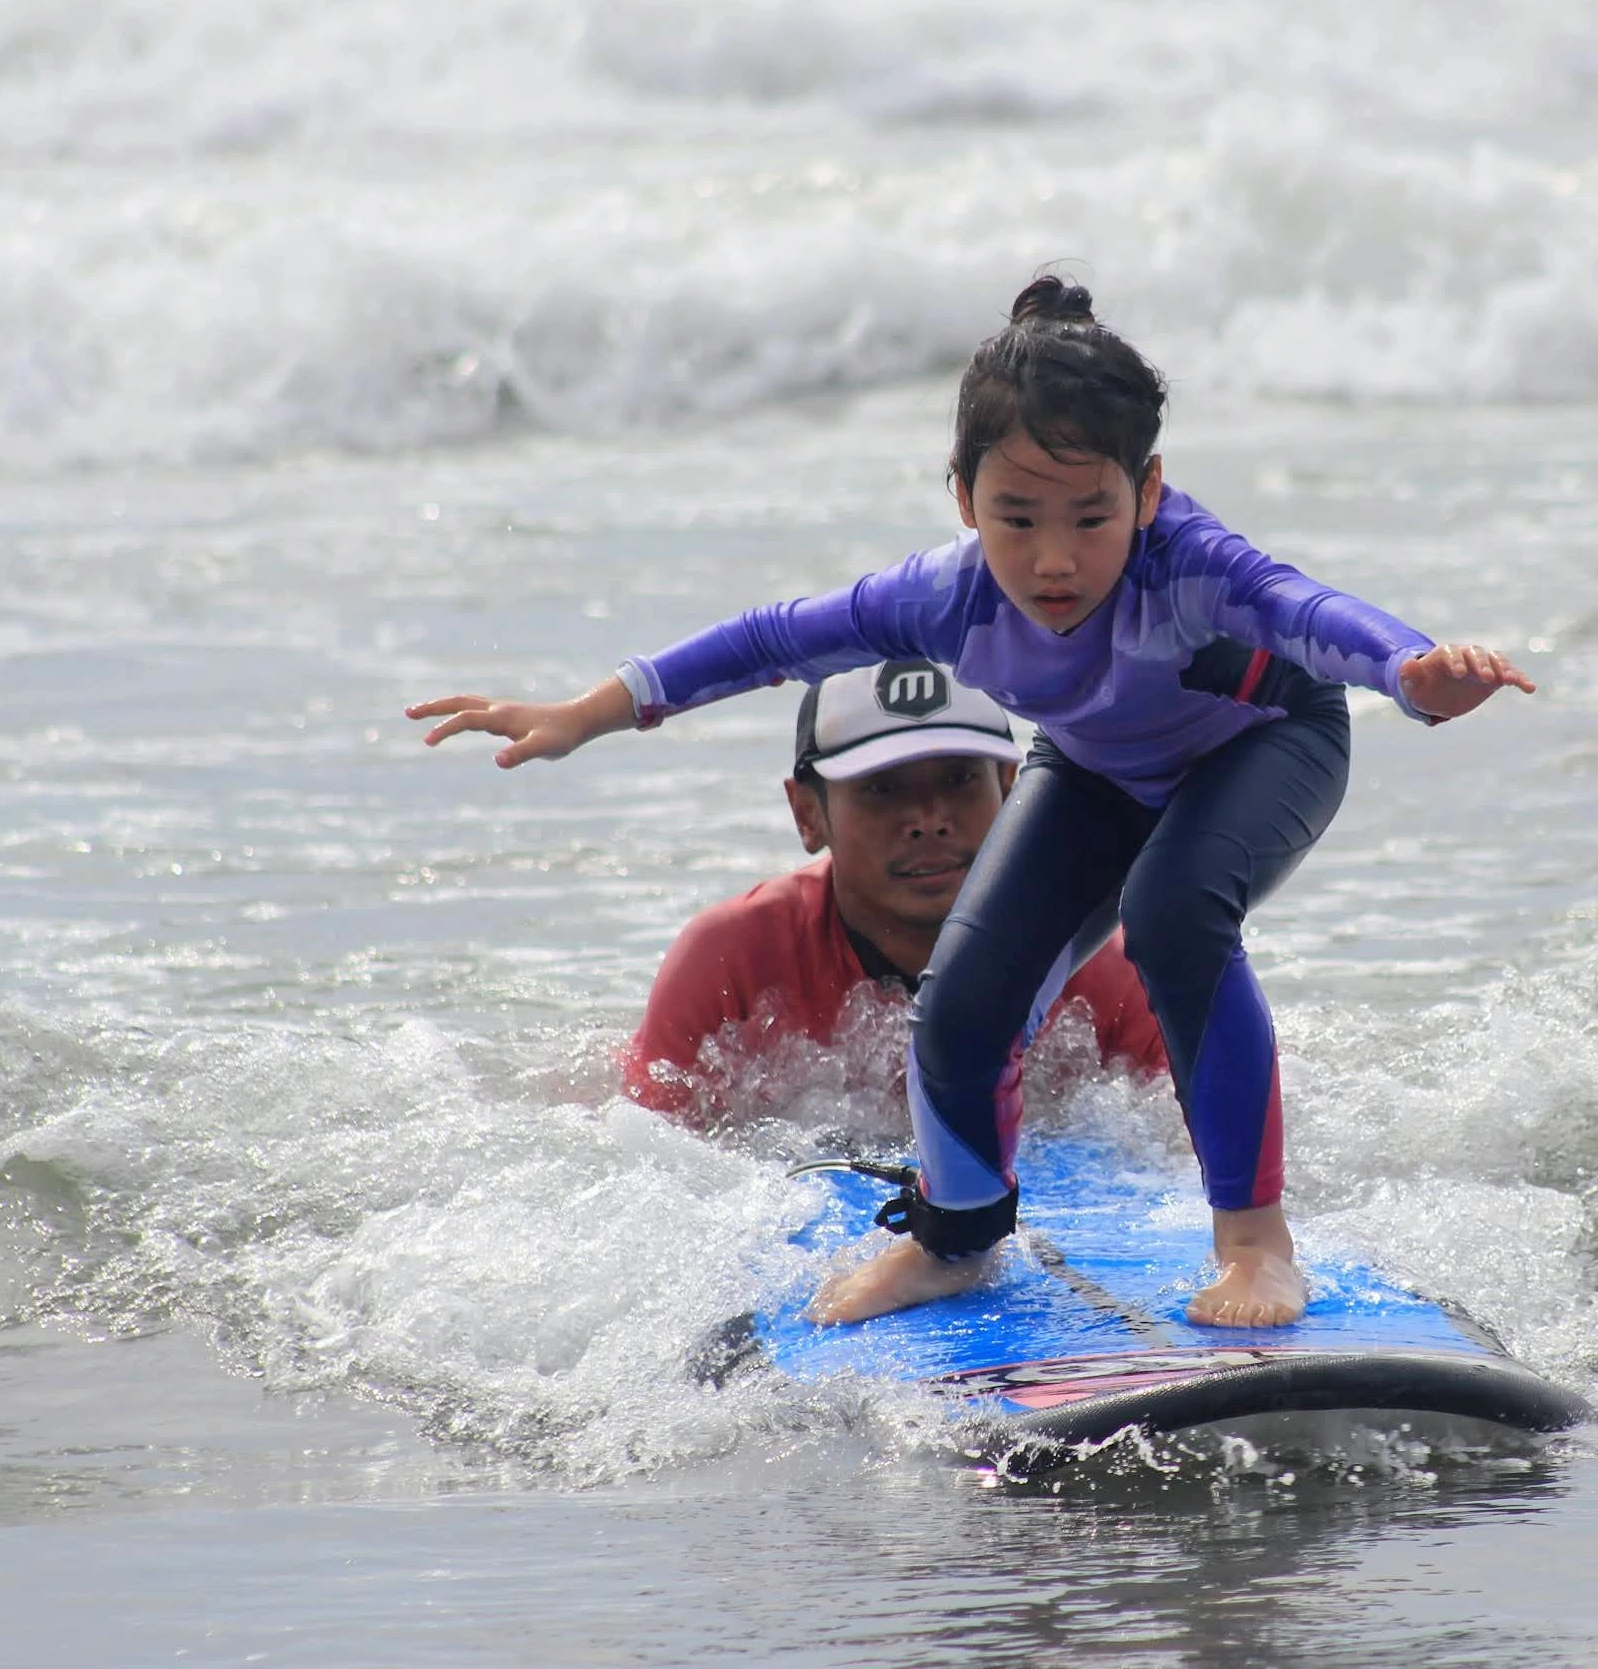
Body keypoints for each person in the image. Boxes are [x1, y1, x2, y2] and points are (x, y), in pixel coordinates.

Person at [409, 275, 1534, 1331]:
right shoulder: (940, 601)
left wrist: (1413, 675)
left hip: (1265, 744)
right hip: (1095, 767)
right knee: (958, 1004)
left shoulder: (1192, 564)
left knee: (1179, 912)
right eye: (1016, 517)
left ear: (1147, 492)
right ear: (962, 499)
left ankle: (1255, 1244)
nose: (1054, 560)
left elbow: (1309, 613)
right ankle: (956, 1240)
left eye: (1091, 518)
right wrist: (583, 713)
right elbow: (765, 642)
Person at [623, 660, 1168, 1118]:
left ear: (1011, 789)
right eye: (882, 788)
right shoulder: (729, 965)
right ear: (807, 814)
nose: (928, 820)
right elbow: (648, 1145)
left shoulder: (1101, 961)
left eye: (957, 779)